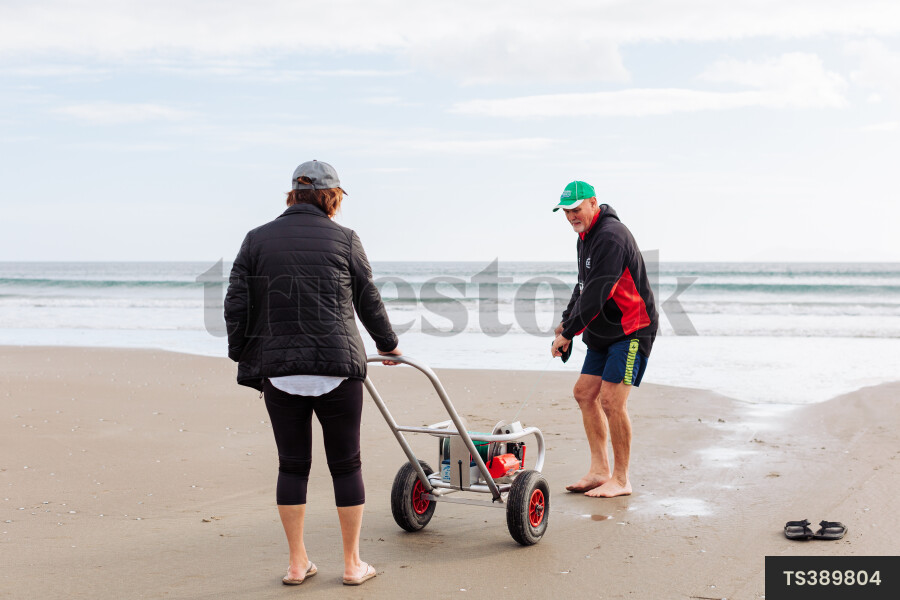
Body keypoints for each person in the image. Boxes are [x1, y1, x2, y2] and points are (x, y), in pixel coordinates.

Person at [224, 160, 401, 586]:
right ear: (331, 196)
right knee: (346, 464)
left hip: (280, 372)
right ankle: (352, 565)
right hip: (337, 369)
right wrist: (387, 343)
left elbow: (235, 304)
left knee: (292, 466)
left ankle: (297, 563)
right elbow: (367, 298)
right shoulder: (345, 239)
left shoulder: (256, 240)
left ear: (294, 194)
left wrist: (243, 353)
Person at [550, 181, 658, 498]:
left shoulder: (611, 237)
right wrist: (565, 323)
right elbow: (583, 285)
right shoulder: (585, 236)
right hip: (603, 331)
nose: (571, 216)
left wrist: (569, 333)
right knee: (585, 393)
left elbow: (598, 294)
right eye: (566, 211)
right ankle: (599, 471)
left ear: (593, 203)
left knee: (611, 401)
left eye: (576, 209)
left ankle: (621, 479)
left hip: (632, 330)